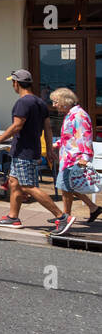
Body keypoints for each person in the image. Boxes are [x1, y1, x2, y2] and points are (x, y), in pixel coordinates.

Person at [0, 69, 67, 230]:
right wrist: (50, 149)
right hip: (30, 149)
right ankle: (13, 217)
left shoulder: (23, 102)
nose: (12, 86)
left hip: (24, 151)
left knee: (28, 186)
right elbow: (48, 129)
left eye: (12, 83)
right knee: (14, 183)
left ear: (16, 83)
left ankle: (61, 216)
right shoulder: (40, 103)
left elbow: (17, 125)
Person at [49, 86, 102, 235]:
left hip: (75, 159)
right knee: (68, 186)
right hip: (68, 157)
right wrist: (56, 144)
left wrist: (85, 158)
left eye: (55, 102)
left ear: (65, 102)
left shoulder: (79, 115)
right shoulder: (70, 114)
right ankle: (93, 208)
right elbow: (69, 137)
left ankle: (65, 218)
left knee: (65, 187)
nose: (53, 105)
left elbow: (84, 137)